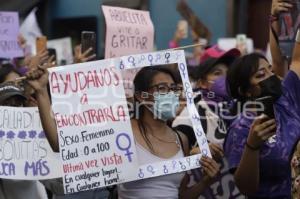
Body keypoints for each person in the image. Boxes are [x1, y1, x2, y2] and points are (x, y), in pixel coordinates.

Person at [26, 64, 219, 199]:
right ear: (141, 96)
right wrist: (42, 92)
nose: (170, 94)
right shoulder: (121, 133)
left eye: (173, 88)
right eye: (161, 88)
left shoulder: (181, 139)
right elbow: (60, 144)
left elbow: (180, 194)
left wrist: (206, 182)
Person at [224, 48, 300, 198]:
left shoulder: (285, 99)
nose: (271, 76)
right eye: (261, 75)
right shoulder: (240, 128)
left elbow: (297, 60)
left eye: (270, 70)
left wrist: (274, 24)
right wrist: (252, 146)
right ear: (246, 91)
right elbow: (246, 188)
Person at [172, 45, 243, 198]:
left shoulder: (242, 109)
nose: (225, 78)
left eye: (228, 73)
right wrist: (197, 152)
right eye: (217, 73)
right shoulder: (190, 115)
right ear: (203, 82)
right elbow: (174, 153)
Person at [0, 65, 48, 199]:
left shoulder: (34, 129)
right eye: (7, 104)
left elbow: (58, 185)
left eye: (17, 103)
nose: (13, 109)